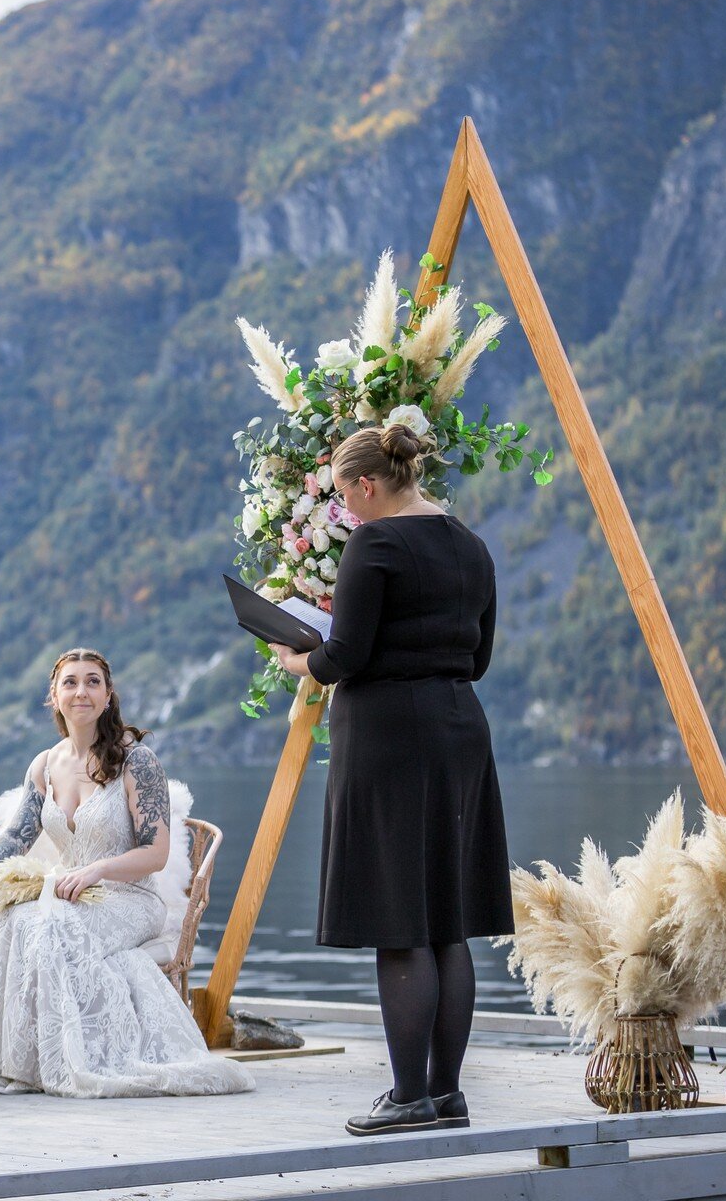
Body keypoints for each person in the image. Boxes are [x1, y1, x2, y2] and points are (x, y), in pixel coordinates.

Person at [270, 422, 513, 1136]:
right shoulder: (470, 544)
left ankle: (407, 1097)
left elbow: (342, 656)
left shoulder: (377, 543)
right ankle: (445, 1094)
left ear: (368, 485)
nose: (345, 511)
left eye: (345, 497)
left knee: (399, 914)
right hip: (459, 726)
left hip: (389, 736)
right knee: (447, 917)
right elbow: (481, 657)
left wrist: (297, 660)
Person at [0, 647, 253, 1098]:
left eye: (93, 681)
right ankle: (20, 1063)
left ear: (108, 696)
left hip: (129, 900)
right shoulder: (45, 764)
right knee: (3, 921)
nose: (81, 691)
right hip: (70, 898)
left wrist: (96, 870)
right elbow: (15, 839)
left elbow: (157, 852)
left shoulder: (136, 760)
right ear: (54, 696)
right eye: (70, 682)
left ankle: (80, 1060)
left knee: (49, 926)